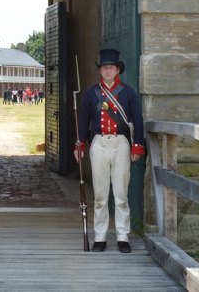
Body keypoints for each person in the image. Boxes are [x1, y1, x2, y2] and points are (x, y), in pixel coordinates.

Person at [75, 48, 145, 254]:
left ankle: (123, 236)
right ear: (100, 70)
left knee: (121, 195)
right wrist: (79, 144)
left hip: (121, 144)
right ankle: (100, 236)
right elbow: (83, 120)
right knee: (100, 195)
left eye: (111, 68)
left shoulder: (128, 92)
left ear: (117, 70)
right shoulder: (91, 94)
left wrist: (137, 146)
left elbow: (138, 121)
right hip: (99, 144)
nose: (107, 71)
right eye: (104, 68)